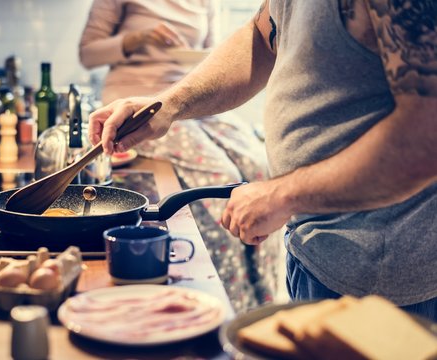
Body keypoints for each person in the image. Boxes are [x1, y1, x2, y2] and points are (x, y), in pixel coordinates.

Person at [88, 0, 437, 321]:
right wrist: (168, 104)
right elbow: (261, 36)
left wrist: (281, 195)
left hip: (384, 279)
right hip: (318, 251)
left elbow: (426, 137)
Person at [79, 0, 275, 312]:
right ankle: (226, 300)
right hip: (139, 105)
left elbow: (216, 57)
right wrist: (135, 41)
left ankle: (263, 298)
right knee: (220, 177)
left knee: (262, 168)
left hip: (191, 101)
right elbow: (88, 53)